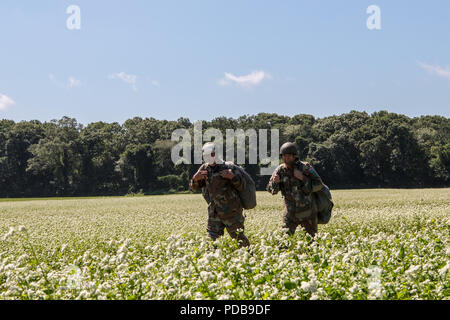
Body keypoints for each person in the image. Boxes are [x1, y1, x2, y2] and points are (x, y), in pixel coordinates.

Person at [190, 142, 250, 247]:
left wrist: (232, 177)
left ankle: (250, 258)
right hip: (214, 212)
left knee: (238, 238)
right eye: (207, 155)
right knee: (211, 240)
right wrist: (195, 180)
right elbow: (195, 188)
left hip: (232, 212)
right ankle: (212, 260)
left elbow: (242, 186)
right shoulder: (204, 169)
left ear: (217, 154)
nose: (210, 157)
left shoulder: (228, 167)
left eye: (212, 154)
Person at [267, 142, 323, 237]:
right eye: (284, 156)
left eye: (288, 156)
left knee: (312, 241)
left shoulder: (305, 167)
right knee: (284, 241)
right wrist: (275, 183)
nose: (286, 158)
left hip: (307, 212)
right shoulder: (280, 170)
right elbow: (271, 190)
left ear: (294, 156)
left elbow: (319, 184)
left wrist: (303, 178)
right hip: (290, 213)